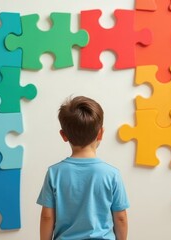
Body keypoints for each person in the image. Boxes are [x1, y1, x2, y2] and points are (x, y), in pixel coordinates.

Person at [37, 96, 129, 240]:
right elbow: (121, 218)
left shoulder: (54, 173)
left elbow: (47, 217)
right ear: (101, 133)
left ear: (63, 135)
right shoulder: (112, 174)